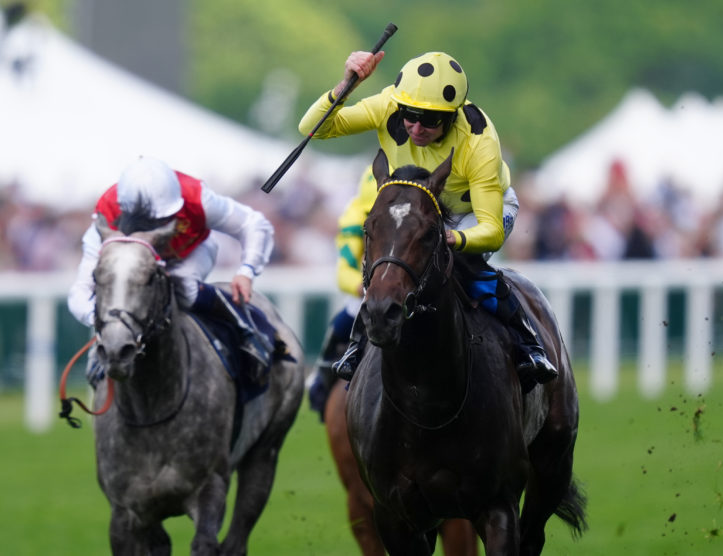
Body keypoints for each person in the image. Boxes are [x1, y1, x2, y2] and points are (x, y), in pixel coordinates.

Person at [298, 51, 557, 386]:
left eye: (431, 120)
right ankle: (358, 343)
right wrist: (348, 84)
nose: (417, 127)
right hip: (422, 211)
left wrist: (454, 239)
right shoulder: (388, 104)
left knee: (463, 265)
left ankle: (528, 344)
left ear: (452, 117)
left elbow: (491, 231)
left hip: (476, 213)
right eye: (410, 115)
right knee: (389, 269)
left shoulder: (479, 141)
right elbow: (313, 128)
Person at [68, 156, 275, 375]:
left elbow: (252, 223)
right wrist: (107, 323)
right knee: (122, 288)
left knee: (185, 288)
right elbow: (79, 292)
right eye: (149, 222)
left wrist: (247, 270)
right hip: (135, 264)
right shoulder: (106, 215)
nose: (157, 231)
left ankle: (247, 331)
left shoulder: (197, 197)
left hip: (191, 253)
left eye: (163, 220)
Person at [307, 165, 376, 419]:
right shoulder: (355, 217)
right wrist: (364, 287)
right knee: (342, 322)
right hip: (370, 293)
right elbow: (344, 270)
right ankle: (321, 381)